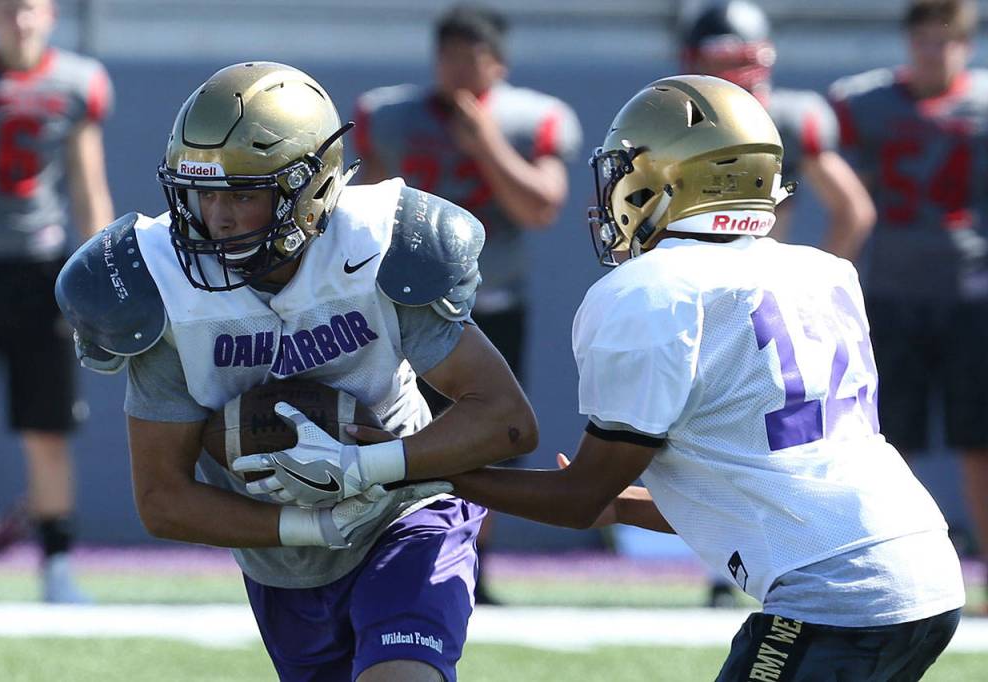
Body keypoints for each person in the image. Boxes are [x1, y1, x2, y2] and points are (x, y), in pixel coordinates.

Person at [419, 75, 965, 680]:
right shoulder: (822, 271)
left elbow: (577, 500)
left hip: (839, 596)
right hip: (922, 565)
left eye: (625, 172)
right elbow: (764, 490)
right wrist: (623, 507)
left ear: (667, 179)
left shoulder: (654, 292)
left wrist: (427, 468)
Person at [56, 62, 537, 682]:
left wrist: (370, 468)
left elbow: (507, 420)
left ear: (310, 192)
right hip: (279, 561)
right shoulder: (163, 288)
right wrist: (311, 525)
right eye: (203, 193)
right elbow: (161, 498)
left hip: (405, 513)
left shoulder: (375, 246)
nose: (219, 217)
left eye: (244, 193)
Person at [354, 3, 581, 603]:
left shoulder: (530, 120)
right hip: (402, 305)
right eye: (448, 54)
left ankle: (477, 562)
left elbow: (541, 207)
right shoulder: (392, 115)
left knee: (488, 430)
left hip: (491, 301)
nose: (456, 68)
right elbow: (362, 202)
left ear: (499, 63)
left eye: (471, 55)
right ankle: (386, 549)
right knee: (394, 423)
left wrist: (484, 141)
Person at [681, 0, 877, 608]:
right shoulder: (674, 115)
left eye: (745, 60)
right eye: (723, 61)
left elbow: (853, 210)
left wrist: (803, 283)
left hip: (756, 303)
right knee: (701, 432)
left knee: (774, 432)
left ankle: (791, 555)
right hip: (695, 292)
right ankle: (727, 564)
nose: (738, 73)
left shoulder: (789, 116)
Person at [829, 0, 988, 613]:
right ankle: (900, 568)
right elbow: (849, 194)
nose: (932, 52)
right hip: (893, 295)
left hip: (971, 296)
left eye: (945, 41)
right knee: (890, 443)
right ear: (907, 41)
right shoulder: (866, 104)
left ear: (966, 46)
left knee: (980, 441)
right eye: (923, 39)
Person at [0, 0, 113, 602]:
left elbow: (86, 181)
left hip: (43, 274)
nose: (18, 22)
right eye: (5, 10)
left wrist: (100, 270)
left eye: (26, 9)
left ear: (48, 14)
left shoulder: (77, 82)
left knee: (47, 430)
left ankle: (56, 567)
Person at [681, 0, 875, 260]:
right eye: (716, 61)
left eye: (736, 61)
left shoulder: (785, 121)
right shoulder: (678, 120)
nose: (725, 74)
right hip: (691, 270)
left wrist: (816, 284)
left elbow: (854, 211)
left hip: (760, 272)